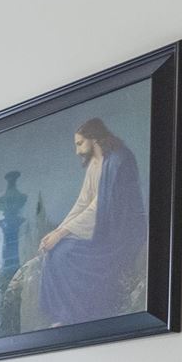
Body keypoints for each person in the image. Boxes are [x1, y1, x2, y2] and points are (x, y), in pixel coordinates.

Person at [24, 116, 147, 327]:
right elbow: (82, 203)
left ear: (93, 138)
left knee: (64, 253)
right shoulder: (94, 164)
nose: (77, 150)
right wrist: (58, 231)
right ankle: (62, 315)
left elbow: (101, 206)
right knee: (55, 251)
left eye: (80, 143)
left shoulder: (119, 160)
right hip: (101, 228)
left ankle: (75, 316)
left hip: (119, 233)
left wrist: (60, 234)